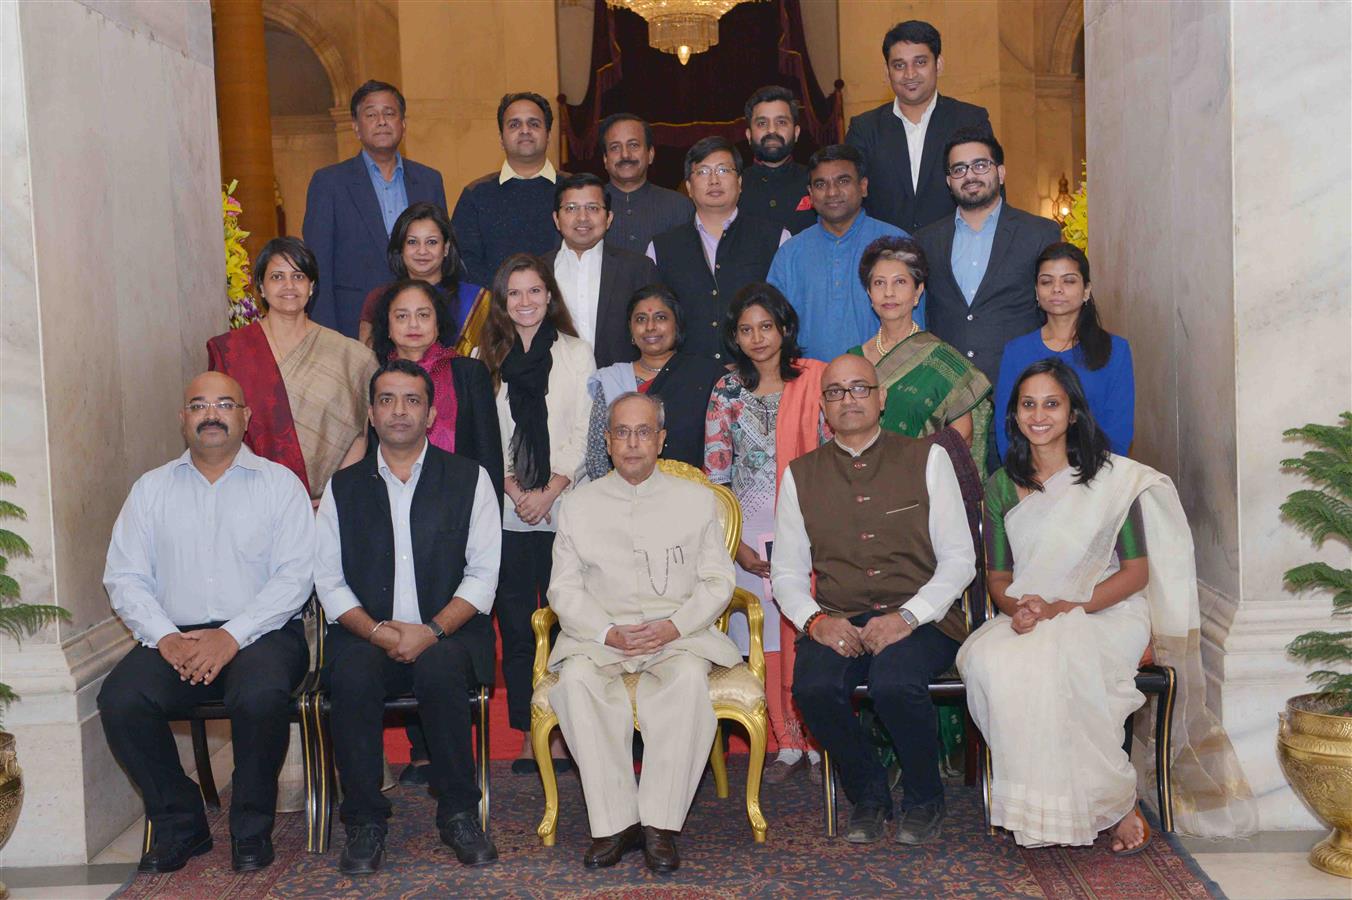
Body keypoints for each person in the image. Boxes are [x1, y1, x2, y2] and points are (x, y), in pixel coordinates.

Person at [957, 359, 1254, 850]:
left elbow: (1136, 573)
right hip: (1031, 611)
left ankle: (1117, 803)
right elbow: (999, 577)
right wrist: (1018, 609)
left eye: (1052, 403)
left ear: (1073, 412)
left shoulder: (1115, 480)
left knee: (1062, 658)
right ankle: (1046, 811)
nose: (1039, 415)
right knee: (993, 661)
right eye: (1027, 404)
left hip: (1108, 608)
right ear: (1013, 415)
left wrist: (1065, 608)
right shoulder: (1001, 485)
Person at [100, 372, 314, 874]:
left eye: (224, 404)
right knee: (121, 700)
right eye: (198, 405)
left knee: (259, 695)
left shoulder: (280, 485)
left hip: (263, 632)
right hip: (174, 633)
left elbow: (295, 578)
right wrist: (166, 637)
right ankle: (181, 822)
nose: (211, 414)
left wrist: (231, 635)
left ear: (245, 417)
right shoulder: (151, 489)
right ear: (183, 419)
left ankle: (251, 828)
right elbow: (125, 577)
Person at [773, 353, 976, 844]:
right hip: (838, 616)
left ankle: (926, 798)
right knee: (814, 689)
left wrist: (908, 616)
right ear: (823, 406)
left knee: (893, 682)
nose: (849, 400)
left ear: (882, 398)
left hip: (922, 618)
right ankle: (868, 792)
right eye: (837, 392)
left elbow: (959, 559)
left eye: (860, 388)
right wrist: (815, 621)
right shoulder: (801, 475)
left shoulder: (927, 458)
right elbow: (786, 572)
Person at [316, 359, 501, 875]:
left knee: (440, 668)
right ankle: (365, 820)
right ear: (371, 414)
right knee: (350, 673)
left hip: (448, 633)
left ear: (431, 412)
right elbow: (328, 581)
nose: (399, 411)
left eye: (412, 401)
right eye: (387, 400)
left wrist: (433, 630)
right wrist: (376, 631)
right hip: (366, 636)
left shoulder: (469, 479)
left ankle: (460, 812)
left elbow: (484, 573)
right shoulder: (343, 487)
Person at [548, 391, 738, 873]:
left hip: (678, 634)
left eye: (643, 432)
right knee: (576, 685)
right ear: (608, 442)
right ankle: (615, 824)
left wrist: (674, 626)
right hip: (600, 637)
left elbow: (719, 582)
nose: (633, 443)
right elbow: (563, 591)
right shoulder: (576, 506)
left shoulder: (697, 502)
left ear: (662, 440)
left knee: (688, 682)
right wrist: (607, 632)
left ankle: (659, 824)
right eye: (622, 433)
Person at [704, 284, 828, 784]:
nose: (757, 338)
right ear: (735, 337)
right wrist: (737, 545)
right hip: (750, 532)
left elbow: (832, 455)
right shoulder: (726, 390)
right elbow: (716, 473)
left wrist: (821, 534)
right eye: (746, 329)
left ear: (784, 329)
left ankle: (818, 741)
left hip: (810, 524)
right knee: (764, 640)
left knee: (806, 632)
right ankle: (784, 742)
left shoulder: (815, 381)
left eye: (766, 327)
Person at [476, 253, 595, 772]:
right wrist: (513, 487)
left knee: (569, 624)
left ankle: (570, 732)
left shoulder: (576, 353)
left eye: (534, 291)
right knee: (519, 628)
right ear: (503, 303)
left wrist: (548, 490)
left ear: (550, 296)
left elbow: (584, 431)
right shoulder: (487, 359)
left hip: (567, 508)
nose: (525, 302)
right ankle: (529, 733)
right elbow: (487, 435)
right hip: (507, 512)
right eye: (514, 293)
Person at [207, 237, 377, 504]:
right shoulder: (232, 351)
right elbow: (221, 427)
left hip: (327, 505)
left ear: (311, 287)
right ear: (261, 287)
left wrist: (335, 496)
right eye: (277, 276)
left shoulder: (349, 356)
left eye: (298, 276)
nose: (289, 286)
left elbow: (358, 433)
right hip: (250, 498)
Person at [914, 126, 1062, 386]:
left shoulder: (1039, 233)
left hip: (1020, 386)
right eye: (959, 169)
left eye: (980, 165)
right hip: (946, 392)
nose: (970, 175)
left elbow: (1056, 313)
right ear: (949, 181)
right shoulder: (925, 241)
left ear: (1001, 173)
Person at [303, 80, 448, 338]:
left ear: (403, 124)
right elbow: (318, 266)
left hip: (421, 328)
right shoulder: (329, 183)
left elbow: (443, 258)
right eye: (371, 114)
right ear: (356, 127)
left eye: (389, 113)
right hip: (351, 327)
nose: (381, 121)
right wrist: (327, 338)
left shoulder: (429, 181)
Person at [848, 236, 992, 474]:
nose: (889, 293)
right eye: (879, 283)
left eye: (900, 282)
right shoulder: (854, 361)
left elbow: (962, 436)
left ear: (918, 292)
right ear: (869, 293)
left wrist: (905, 465)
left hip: (924, 486)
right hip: (861, 483)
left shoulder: (944, 360)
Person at [649, 136, 789, 361]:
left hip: (758, 376)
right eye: (703, 172)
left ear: (740, 183)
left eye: (723, 170)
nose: (714, 180)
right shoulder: (660, 247)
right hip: (687, 378)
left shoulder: (776, 238)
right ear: (688, 187)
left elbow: (787, 313)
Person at [993, 242, 1134, 461]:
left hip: (1097, 479)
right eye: (1046, 281)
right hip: (1031, 482)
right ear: (1036, 292)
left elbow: (1118, 433)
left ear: (1086, 290)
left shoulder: (1115, 350)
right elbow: (1007, 430)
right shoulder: (1016, 352)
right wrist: (1027, 480)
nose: (1057, 289)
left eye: (1068, 280)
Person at [845, 21, 989, 234]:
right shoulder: (864, 129)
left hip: (954, 253)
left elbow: (991, 194)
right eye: (899, 65)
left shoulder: (969, 119)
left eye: (920, 62)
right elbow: (850, 198)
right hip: (885, 256)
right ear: (887, 72)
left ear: (938, 64)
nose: (910, 74)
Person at [767, 144, 908, 362]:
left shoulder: (897, 245)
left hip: (883, 385)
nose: (832, 192)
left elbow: (915, 329)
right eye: (821, 184)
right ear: (811, 194)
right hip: (810, 386)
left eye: (843, 181)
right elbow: (774, 329)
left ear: (863, 186)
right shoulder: (790, 254)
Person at [584, 285, 725, 480]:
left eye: (661, 318)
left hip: (692, 496)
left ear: (677, 325)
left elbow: (721, 451)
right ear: (631, 329)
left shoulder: (707, 376)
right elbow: (596, 457)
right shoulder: (611, 380)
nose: (650, 327)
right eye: (641, 319)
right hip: (622, 500)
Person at [543, 172, 661, 367]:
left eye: (593, 208)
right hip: (554, 387)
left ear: (608, 218)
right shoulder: (538, 271)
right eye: (571, 208)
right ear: (556, 218)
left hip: (622, 387)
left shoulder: (639, 268)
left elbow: (658, 334)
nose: (582, 217)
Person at [453, 92, 561, 287]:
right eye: (514, 124)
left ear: (548, 136)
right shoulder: (476, 195)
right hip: (497, 311)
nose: (525, 130)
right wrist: (509, 299)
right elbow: (464, 263)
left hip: (566, 309)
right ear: (501, 139)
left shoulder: (574, 190)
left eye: (534, 124)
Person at [355, 202, 490, 353]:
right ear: (401, 248)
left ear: (445, 248)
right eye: (412, 242)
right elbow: (366, 362)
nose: (422, 251)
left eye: (431, 242)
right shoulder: (379, 298)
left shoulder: (476, 300)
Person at [599, 113, 694, 254]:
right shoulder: (588, 207)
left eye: (633, 145)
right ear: (605, 159)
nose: (625, 155)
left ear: (650, 154)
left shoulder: (680, 207)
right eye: (615, 147)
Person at [739, 85, 816, 235]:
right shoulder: (734, 186)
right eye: (762, 123)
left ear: (796, 132)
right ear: (749, 135)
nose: (772, 130)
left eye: (781, 122)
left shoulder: (816, 180)